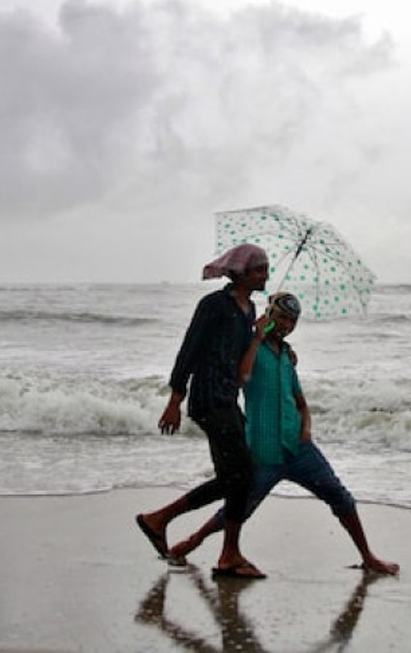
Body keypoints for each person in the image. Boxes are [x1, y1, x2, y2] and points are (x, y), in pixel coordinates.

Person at [169, 292, 399, 575]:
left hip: (299, 449)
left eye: (292, 321)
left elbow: (301, 403)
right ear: (269, 315)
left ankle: (368, 556)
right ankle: (194, 541)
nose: (287, 325)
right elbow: (242, 378)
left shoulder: (288, 358)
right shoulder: (251, 349)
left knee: (340, 497)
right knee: (240, 508)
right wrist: (256, 338)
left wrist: (306, 430)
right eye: (281, 318)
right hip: (264, 451)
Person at [135, 243, 270, 579]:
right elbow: (189, 351)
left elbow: (242, 367)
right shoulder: (214, 305)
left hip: (228, 399)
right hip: (208, 399)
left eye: (266, 269)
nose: (266, 275)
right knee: (241, 476)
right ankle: (227, 554)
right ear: (241, 273)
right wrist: (174, 401)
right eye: (259, 270)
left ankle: (161, 520)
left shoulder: (249, 310)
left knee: (238, 477)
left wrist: (261, 338)